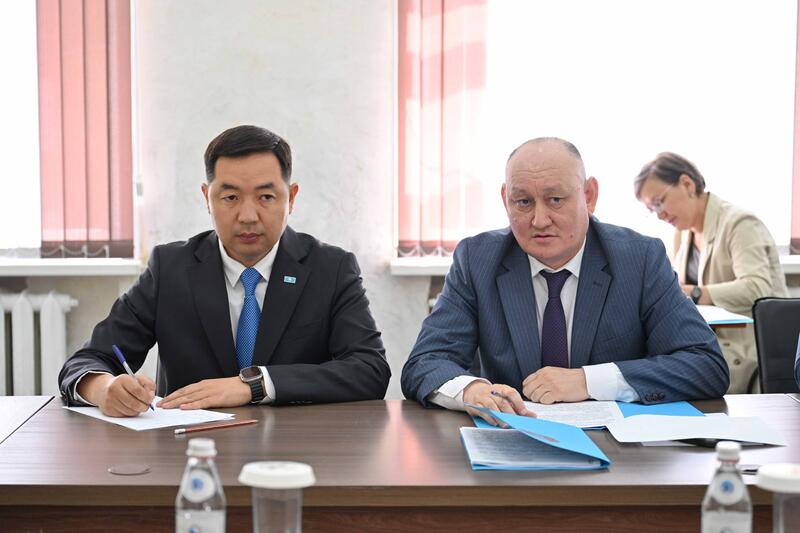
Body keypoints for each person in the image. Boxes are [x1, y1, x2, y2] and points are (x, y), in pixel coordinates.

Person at [59, 125, 390, 416]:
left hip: (296, 448)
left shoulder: (330, 269)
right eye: (230, 197)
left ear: (291, 198)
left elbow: (370, 369)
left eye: (265, 197)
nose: (247, 216)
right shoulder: (170, 268)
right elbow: (86, 362)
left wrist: (257, 384)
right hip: (190, 448)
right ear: (207, 197)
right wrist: (104, 389)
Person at [401, 137, 728, 425]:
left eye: (555, 199)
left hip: (620, 454)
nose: (539, 220)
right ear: (505, 200)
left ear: (589, 196)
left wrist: (588, 381)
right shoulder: (478, 259)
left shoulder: (638, 259)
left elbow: (705, 364)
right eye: (523, 202)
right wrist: (471, 390)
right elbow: (425, 362)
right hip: (512, 440)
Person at [634, 152, 788, 393]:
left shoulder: (739, 223)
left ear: (687, 184)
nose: (660, 214)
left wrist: (694, 293)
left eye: (659, 202)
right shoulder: (682, 233)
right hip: (708, 339)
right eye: (653, 210)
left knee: (670, 373)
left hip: (750, 344)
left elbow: (758, 289)